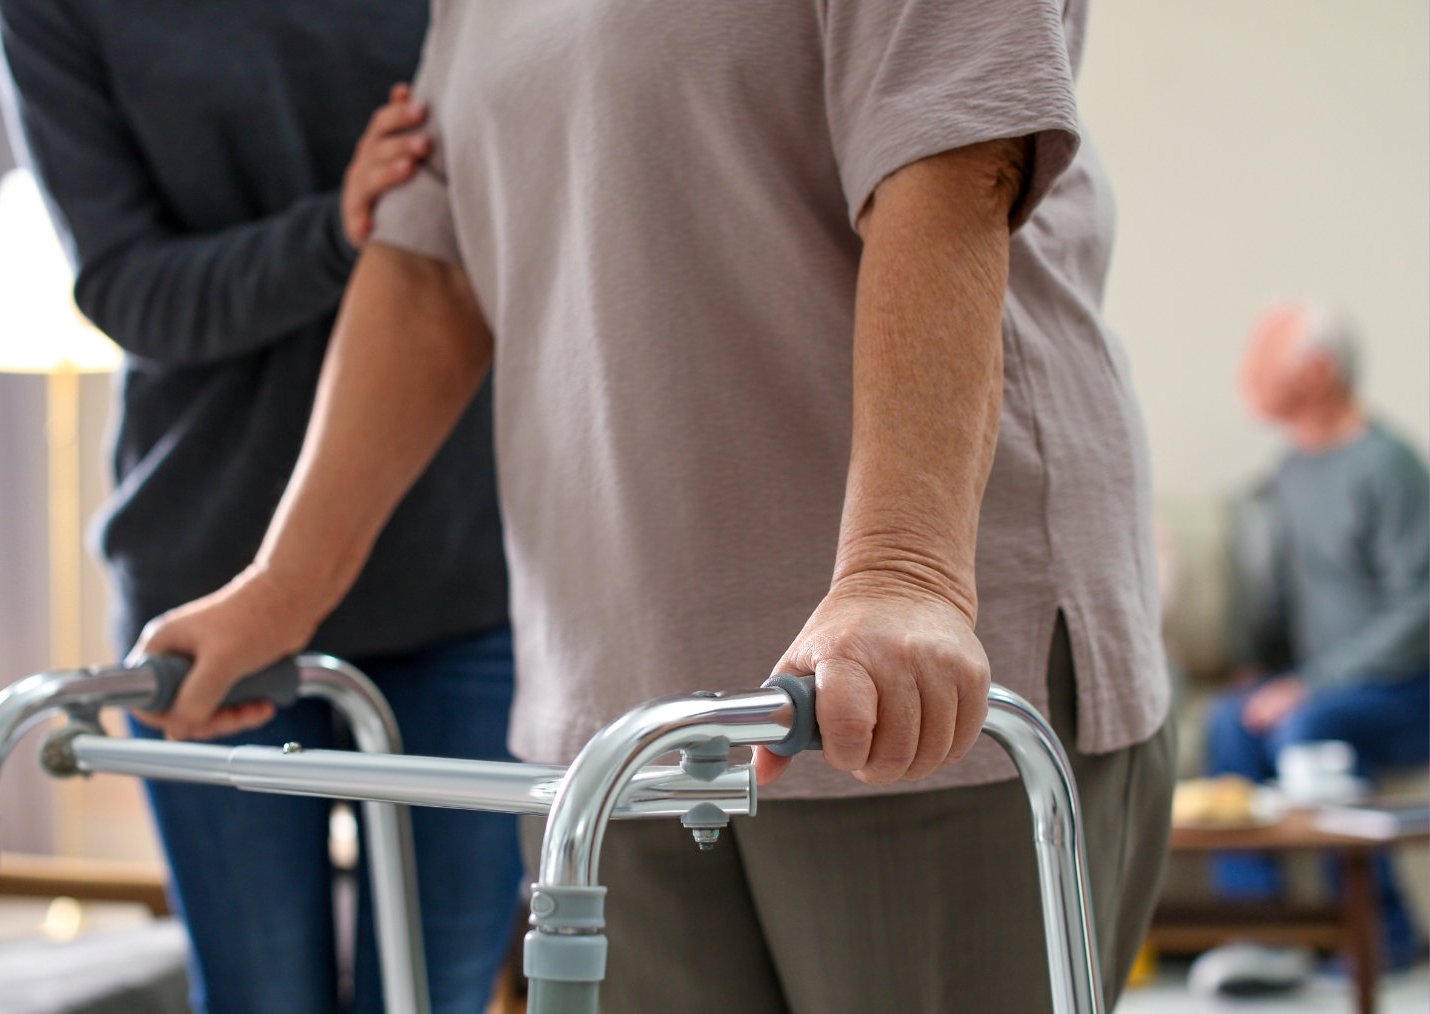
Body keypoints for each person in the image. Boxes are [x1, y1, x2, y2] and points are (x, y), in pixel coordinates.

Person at [137, 1, 1176, 1010]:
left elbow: (949, 168)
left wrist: (903, 568)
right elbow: (431, 269)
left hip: (897, 686)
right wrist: (283, 586)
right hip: (613, 710)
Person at [0, 3, 523, 1013]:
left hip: (460, 575)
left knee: (437, 995)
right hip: (210, 586)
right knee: (258, 995)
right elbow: (126, 288)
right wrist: (338, 228)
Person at [1206, 301, 1429, 969]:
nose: (1246, 373)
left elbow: (1421, 606)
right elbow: (1286, 598)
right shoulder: (1290, 474)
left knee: (1312, 729)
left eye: (1264, 359)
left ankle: (1381, 935)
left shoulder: (1388, 467)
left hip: (1407, 687)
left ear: (1319, 372)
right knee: (1229, 722)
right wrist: (1259, 670)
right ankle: (1265, 934)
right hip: (1324, 682)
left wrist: (1308, 686)